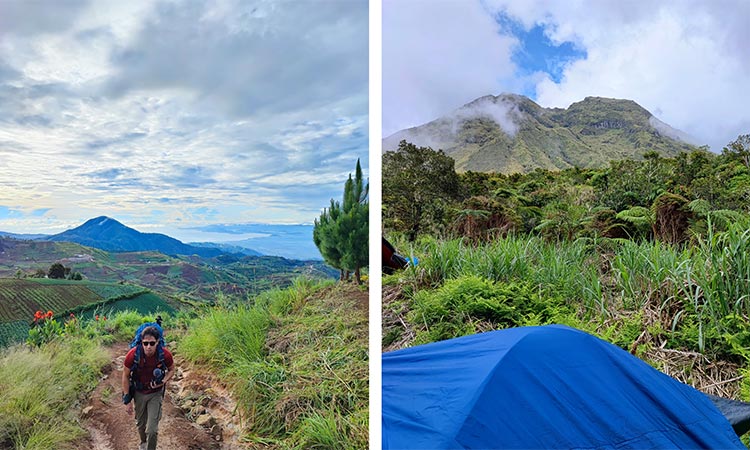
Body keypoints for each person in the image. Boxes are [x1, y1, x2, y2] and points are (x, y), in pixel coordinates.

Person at [122, 325, 174, 450]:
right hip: (139, 392)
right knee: (140, 424)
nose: (148, 347)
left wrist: (163, 381)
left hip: (155, 393)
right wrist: (127, 399)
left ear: (157, 343)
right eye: (145, 343)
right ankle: (143, 443)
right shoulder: (133, 355)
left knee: (152, 430)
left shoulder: (164, 354)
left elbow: (172, 369)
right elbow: (125, 375)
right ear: (141, 343)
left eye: (152, 343)